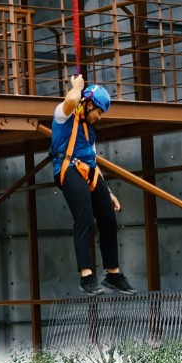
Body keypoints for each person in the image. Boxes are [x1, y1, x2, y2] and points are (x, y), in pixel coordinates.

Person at [51, 75, 136, 297]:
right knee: (85, 218)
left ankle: (113, 274)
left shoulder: (90, 132)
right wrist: (77, 86)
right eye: (98, 112)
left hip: (88, 172)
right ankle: (87, 277)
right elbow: (71, 101)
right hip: (67, 169)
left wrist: (108, 193)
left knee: (108, 218)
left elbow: (93, 163)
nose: (99, 117)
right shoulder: (63, 115)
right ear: (87, 103)